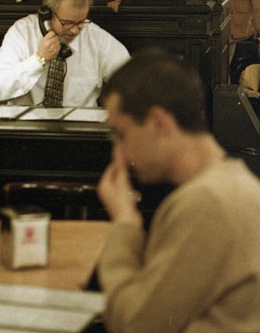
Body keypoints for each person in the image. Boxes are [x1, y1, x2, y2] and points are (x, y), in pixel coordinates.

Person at [96, 47, 260, 333]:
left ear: (158, 123)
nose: (118, 152)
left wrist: (124, 223)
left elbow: (137, 325)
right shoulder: (231, 182)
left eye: (122, 134)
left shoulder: (207, 202)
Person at [0, 0, 130, 107]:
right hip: (27, 123)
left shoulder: (97, 39)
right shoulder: (22, 33)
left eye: (81, 22)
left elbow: (133, 84)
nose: (75, 30)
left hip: (79, 123)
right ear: (48, 13)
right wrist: (38, 59)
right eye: (67, 23)